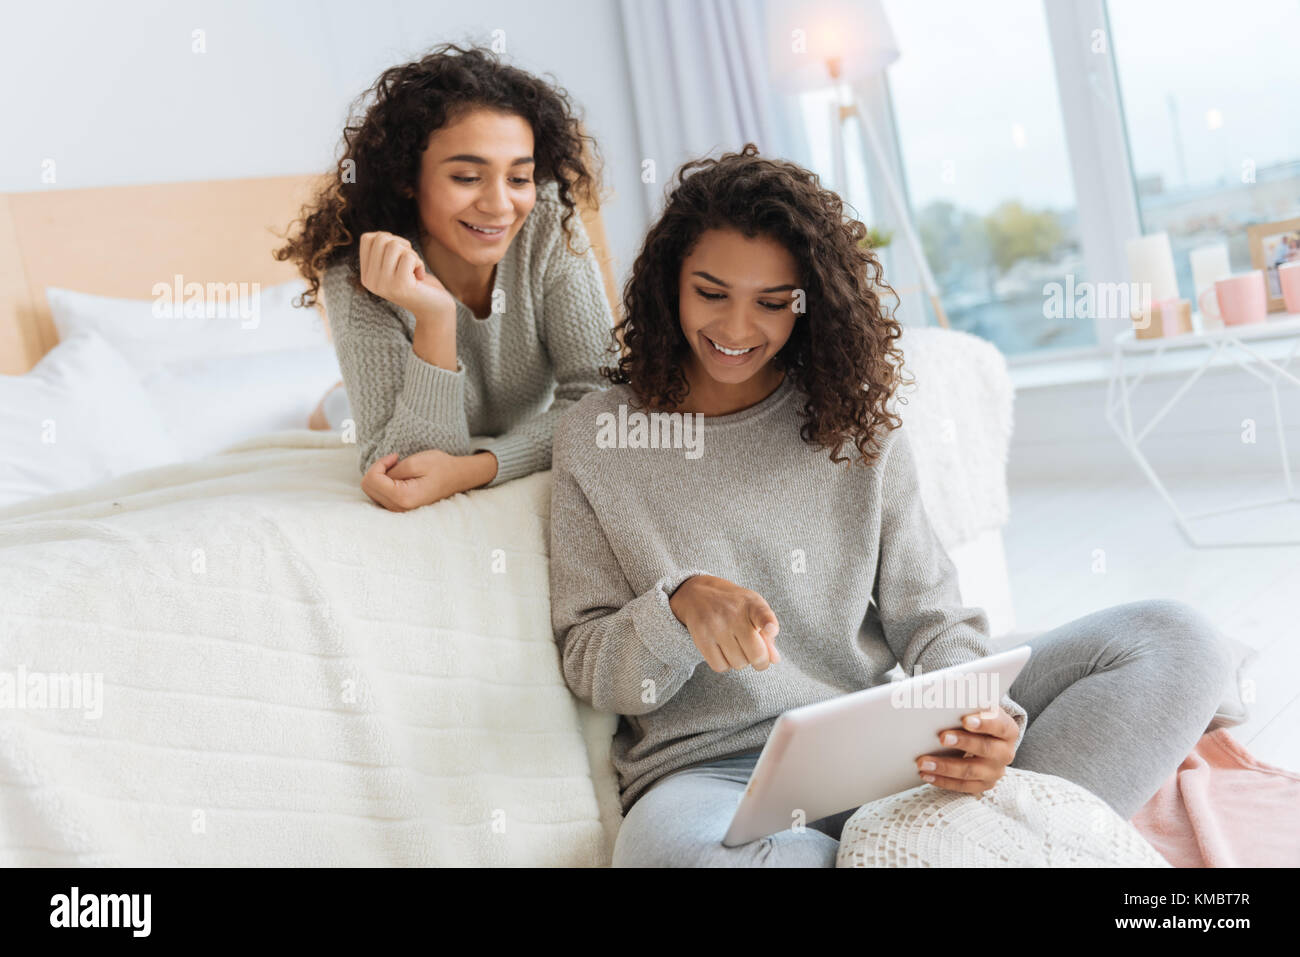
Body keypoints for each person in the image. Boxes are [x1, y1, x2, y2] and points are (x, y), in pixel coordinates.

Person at [547, 145, 1234, 867]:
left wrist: (986, 718)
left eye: (773, 302)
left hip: (888, 749)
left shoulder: (851, 422)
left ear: (810, 302)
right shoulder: (598, 438)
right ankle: (970, 848)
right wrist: (676, 606)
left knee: (1174, 639)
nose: (738, 328)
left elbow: (932, 619)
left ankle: (936, 843)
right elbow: (590, 664)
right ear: (668, 286)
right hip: (711, 781)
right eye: (711, 292)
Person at [278, 44, 614, 510]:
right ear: (406, 178)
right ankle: (328, 401)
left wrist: (479, 466)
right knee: (338, 412)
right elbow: (409, 467)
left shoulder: (549, 223)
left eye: (518, 178)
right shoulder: (358, 269)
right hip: (366, 412)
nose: (499, 205)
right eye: (467, 177)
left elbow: (600, 397)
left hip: (508, 421)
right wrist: (435, 319)